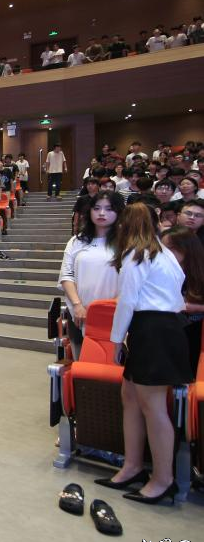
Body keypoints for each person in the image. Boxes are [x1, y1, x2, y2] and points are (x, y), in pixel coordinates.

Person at [98, 203, 190, 505]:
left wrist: (115, 341)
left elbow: (127, 301)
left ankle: (163, 479)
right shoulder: (163, 253)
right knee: (130, 396)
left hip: (153, 330)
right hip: (163, 327)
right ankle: (132, 466)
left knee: (153, 407)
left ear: (124, 226)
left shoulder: (137, 254)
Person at [58, 192, 124, 359]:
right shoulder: (77, 241)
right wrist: (78, 305)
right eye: (97, 208)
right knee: (81, 361)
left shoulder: (126, 242)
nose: (101, 213)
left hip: (114, 313)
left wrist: (110, 307)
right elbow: (66, 275)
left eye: (109, 209)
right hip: (79, 313)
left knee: (112, 362)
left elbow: (132, 280)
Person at [160, 226, 204, 373]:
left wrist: (197, 308)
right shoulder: (160, 270)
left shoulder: (199, 272)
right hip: (164, 329)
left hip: (195, 331)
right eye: (162, 248)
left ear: (186, 248)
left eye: (170, 248)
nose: (164, 253)